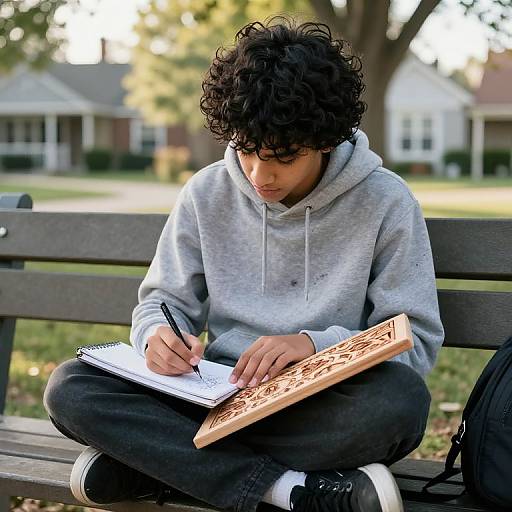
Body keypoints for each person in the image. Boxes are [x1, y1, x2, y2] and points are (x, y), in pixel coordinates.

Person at [43, 14, 444, 512]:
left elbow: (415, 341)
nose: (260, 174)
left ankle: (151, 463)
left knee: (399, 404)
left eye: (282, 156)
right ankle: (288, 490)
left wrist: (311, 347)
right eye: (248, 151)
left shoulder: (386, 202)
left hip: (315, 407)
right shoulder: (206, 192)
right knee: (71, 387)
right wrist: (156, 339)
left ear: (325, 137)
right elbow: (163, 302)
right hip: (210, 397)